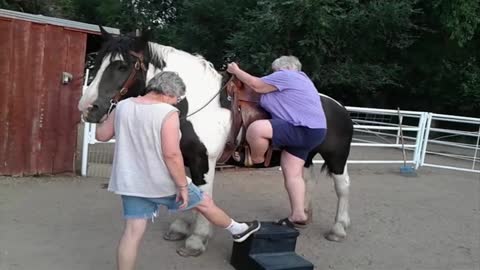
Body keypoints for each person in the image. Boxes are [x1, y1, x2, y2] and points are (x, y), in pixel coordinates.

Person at [95, 71, 260, 270]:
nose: (176, 102)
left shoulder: (122, 106)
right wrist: (182, 185)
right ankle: (238, 230)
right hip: (162, 181)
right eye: (177, 98)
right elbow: (172, 154)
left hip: (130, 181)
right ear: (167, 92)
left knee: (132, 233)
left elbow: (102, 135)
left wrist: (104, 115)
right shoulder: (167, 113)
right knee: (205, 203)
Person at [226, 56, 327, 229]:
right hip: (315, 131)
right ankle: (298, 214)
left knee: (256, 129)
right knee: (293, 175)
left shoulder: (287, 75)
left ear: (285, 67)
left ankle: (256, 158)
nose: (274, 74)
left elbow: (256, 85)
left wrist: (236, 71)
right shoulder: (304, 80)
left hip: (301, 128)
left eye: (275, 71)